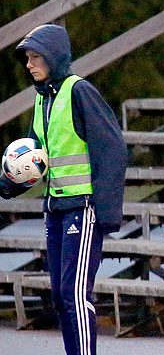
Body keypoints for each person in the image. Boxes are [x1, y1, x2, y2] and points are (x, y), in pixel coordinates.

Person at [1, 24, 126, 355]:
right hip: (54, 209)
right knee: (59, 295)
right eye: (27, 58)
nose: (29, 64)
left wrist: (108, 210)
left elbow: (112, 149)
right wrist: (8, 183)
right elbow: (35, 155)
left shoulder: (79, 92)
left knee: (74, 294)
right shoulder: (42, 100)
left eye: (36, 57)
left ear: (54, 57)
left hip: (82, 209)